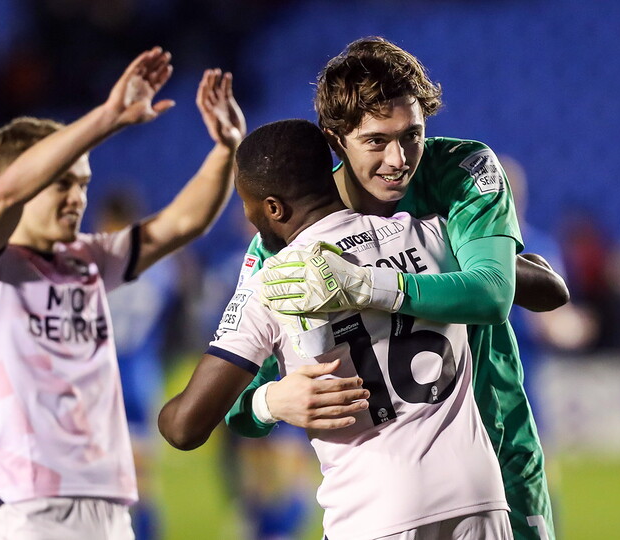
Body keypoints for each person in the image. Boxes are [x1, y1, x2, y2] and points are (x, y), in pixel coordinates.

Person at [225, 38, 563, 540]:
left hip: (498, 451)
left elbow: (494, 295)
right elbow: (230, 401)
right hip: (379, 501)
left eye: (413, 136)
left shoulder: (460, 173)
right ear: (335, 139)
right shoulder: (284, 244)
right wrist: (269, 402)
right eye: (377, 141)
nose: (399, 158)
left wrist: (370, 285)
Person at [0, 47, 245, 539]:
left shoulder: (88, 258)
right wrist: (108, 117)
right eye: (63, 183)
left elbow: (182, 223)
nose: (79, 197)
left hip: (111, 507)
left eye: (83, 183)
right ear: (29, 180)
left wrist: (227, 149)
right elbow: (2, 196)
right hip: (31, 510)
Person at [158, 119, 513, 540]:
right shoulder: (428, 233)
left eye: (246, 203)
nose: (248, 216)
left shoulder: (273, 285)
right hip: (480, 499)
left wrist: (268, 402)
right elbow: (535, 285)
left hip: (373, 511)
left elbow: (183, 427)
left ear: (273, 208)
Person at [98, 192, 183, 539]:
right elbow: (174, 319)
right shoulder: (160, 267)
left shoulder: (96, 264)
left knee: (102, 479)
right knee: (141, 480)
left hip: (102, 380)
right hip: (142, 376)